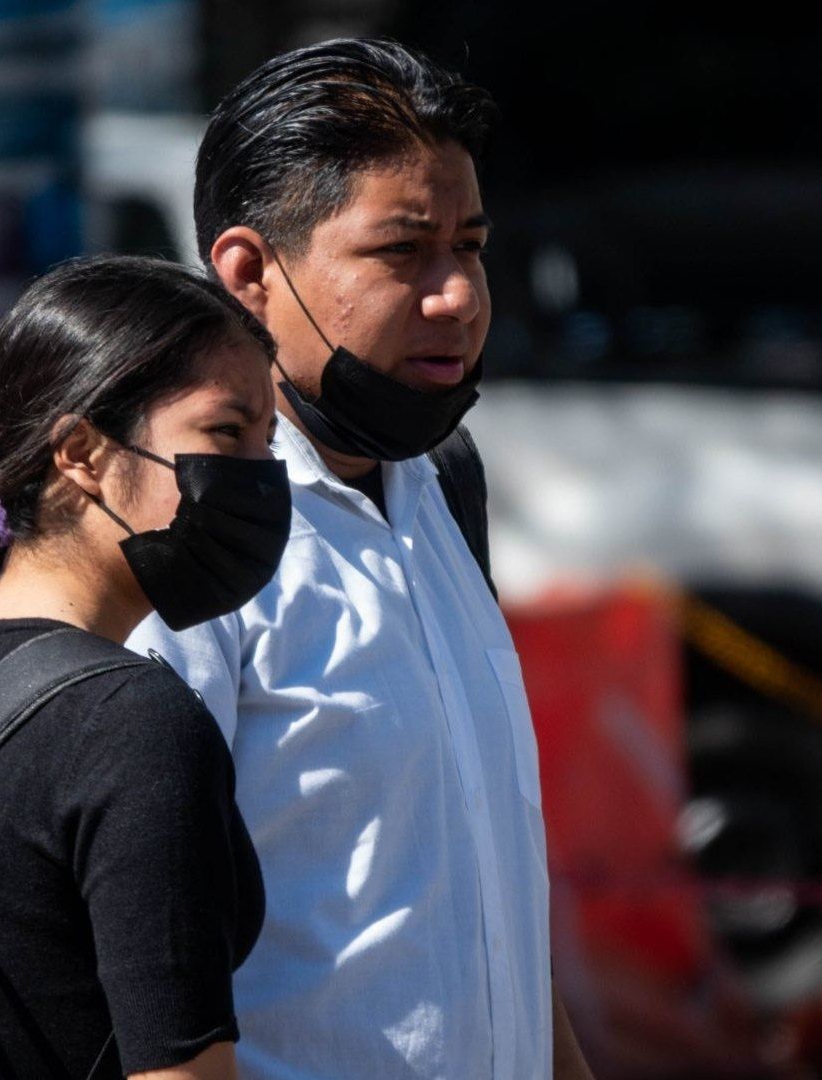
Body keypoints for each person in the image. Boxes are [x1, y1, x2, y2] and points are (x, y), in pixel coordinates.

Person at [126, 38, 596, 1080]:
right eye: (402, 252)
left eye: (468, 246)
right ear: (249, 273)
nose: (458, 297)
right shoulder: (183, 539)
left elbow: (489, 900)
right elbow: (146, 965)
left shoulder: (441, 485)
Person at [0, 255, 288, 1080]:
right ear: (81, 454)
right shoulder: (137, 723)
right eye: (226, 434)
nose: (264, 479)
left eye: (269, 441)